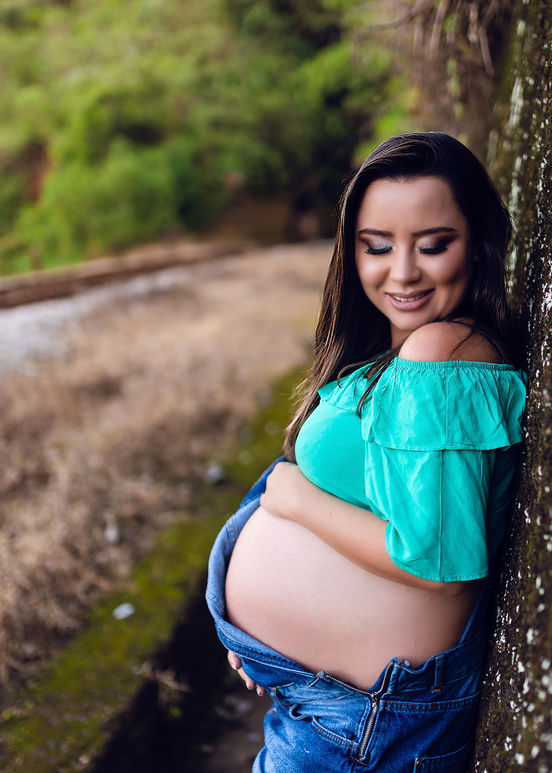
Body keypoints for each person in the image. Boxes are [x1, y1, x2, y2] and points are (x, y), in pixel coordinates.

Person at [205, 132, 527, 772]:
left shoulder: (441, 352)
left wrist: (291, 501)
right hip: (341, 711)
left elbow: (436, 560)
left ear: (479, 241)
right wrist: (263, 639)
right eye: (376, 247)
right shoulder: (400, 357)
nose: (401, 271)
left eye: (433, 245)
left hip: (371, 722)